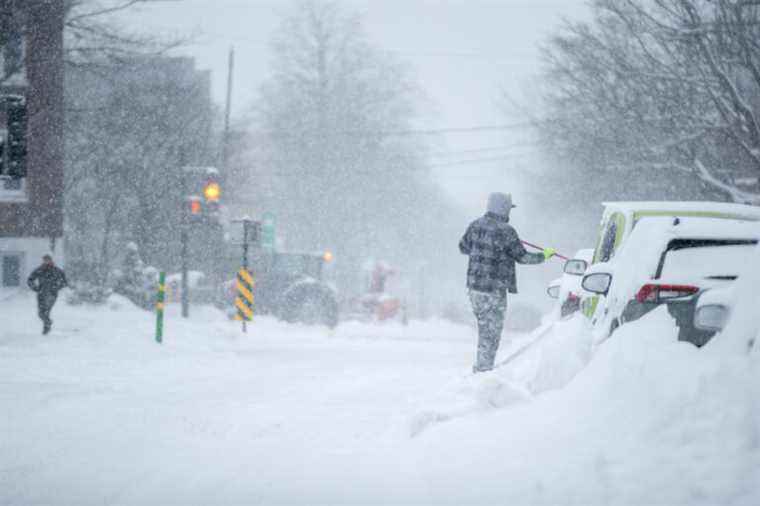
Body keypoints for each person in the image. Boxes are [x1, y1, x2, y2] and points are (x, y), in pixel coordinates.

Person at [459, 192, 556, 373]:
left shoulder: (475, 226)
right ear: (503, 208)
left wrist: (481, 244)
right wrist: (545, 255)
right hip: (494, 290)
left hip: (474, 288)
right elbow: (523, 257)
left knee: (484, 328)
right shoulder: (507, 232)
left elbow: (463, 247)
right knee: (492, 333)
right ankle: (484, 370)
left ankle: (482, 366)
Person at [27, 254, 68, 335]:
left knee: (46, 311)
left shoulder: (57, 270)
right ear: (43, 260)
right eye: (45, 260)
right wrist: (35, 288)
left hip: (52, 294)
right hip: (41, 293)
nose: (46, 261)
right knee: (40, 313)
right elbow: (30, 280)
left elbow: (65, 282)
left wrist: (56, 287)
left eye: (48, 260)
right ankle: (48, 323)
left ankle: (46, 328)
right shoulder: (39, 270)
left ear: (51, 260)